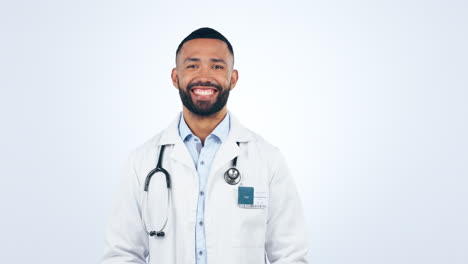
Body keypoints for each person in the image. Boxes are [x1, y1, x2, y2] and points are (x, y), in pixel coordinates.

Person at [102, 27, 308, 264]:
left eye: (217, 66)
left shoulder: (268, 159)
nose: (204, 75)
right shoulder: (141, 161)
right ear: (175, 77)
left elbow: (290, 255)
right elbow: (122, 254)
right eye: (192, 65)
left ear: (233, 78)